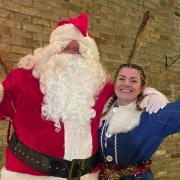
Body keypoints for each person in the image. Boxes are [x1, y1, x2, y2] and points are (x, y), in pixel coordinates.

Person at [0, 13, 168, 180]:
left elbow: (126, 96)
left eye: (78, 51)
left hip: (87, 176)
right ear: (52, 51)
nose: (72, 55)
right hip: (28, 175)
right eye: (65, 48)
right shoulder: (22, 79)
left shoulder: (100, 85)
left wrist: (148, 94)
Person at [98, 63, 180, 180]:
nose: (126, 83)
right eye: (121, 78)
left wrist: (157, 96)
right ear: (115, 83)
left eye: (133, 81)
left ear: (141, 88)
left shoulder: (153, 113)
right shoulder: (101, 110)